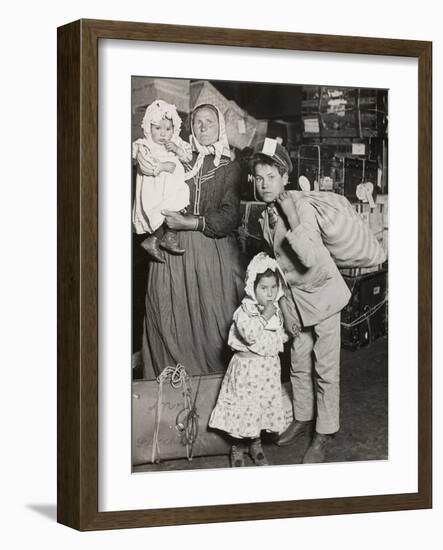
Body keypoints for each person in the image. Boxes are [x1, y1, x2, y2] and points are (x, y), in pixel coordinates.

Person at [250, 138, 351, 463]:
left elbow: (307, 257)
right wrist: (282, 306)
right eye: (259, 178)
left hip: (322, 296)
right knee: (297, 363)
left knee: (325, 368)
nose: (264, 185)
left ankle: (324, 432)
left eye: (271, 177)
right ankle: (304, 417)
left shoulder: (299, 205)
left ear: (285, 178)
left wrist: (291, 214)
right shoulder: (266, 213)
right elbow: (276, 266)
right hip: (294, 301)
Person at [140, 103, 245, 379]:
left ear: (220, 127)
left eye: (209, 121)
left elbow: (230, 216)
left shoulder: (230, 167)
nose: (202, 127)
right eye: (197, 122)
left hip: (210, 253)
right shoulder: (178, 159)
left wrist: (190, 222)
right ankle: (168, 395)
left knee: (212, 325)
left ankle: (217, 393)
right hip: (171, 254)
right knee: (168, 320)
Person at [209, 253, 288, 467]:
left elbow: (276, 336)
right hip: (246, 370)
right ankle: (237, 446)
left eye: (273, 287)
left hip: (266, 370)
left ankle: (256, 444)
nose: (269, 293)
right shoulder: (244, 311)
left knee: (259, 408)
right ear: (253, 288)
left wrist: (285, 333)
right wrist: (265, 316)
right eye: (264, 288)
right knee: (243, 408)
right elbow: (250, 334)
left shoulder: (276, 309)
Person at [132, 99, 192, 262]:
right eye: (157, 128)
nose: (163, 133)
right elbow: (144, 165)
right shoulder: (145, 145)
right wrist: (162, 166)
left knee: (179, 202)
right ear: (148, 128)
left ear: (175, 129)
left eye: (168, 129)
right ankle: (154, 238)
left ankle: (167, 237)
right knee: (160, 211)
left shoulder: (176, 142)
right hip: (155, 188)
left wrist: (178, 149)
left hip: (173, 186)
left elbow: (188, 156)